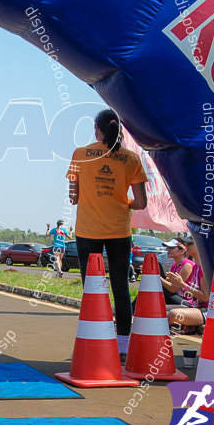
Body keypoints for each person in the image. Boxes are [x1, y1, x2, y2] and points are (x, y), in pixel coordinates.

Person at [66, 108, 147, 356]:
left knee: (92, 287)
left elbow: (73, 197)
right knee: (120, 286)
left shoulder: (80, 154)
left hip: (88, 230)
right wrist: (121, 203)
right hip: (119, 230)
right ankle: (123, 346)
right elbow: (141, 202)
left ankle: (95, 341)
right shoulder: (131, 159)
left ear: (97, 129)